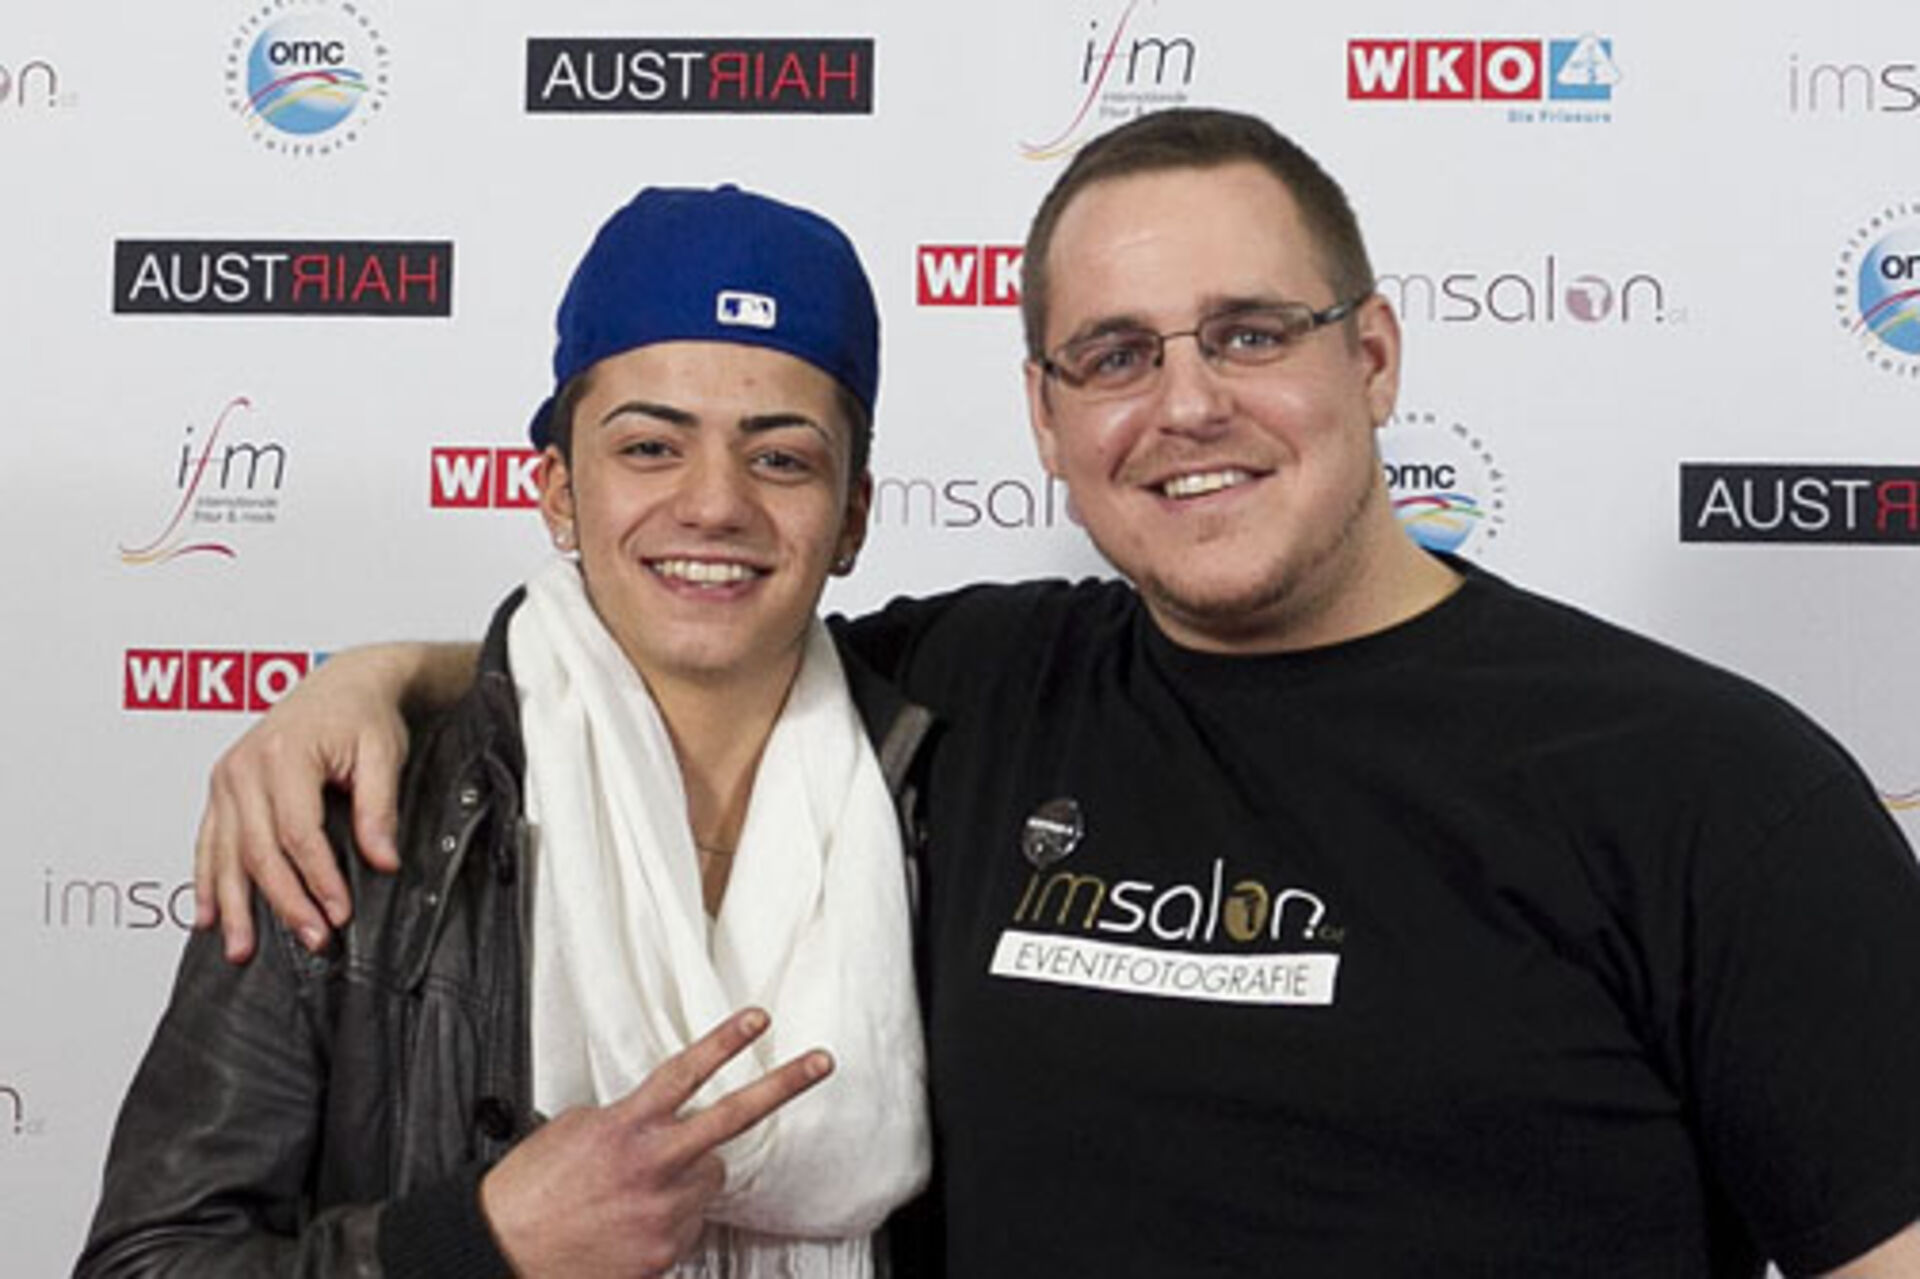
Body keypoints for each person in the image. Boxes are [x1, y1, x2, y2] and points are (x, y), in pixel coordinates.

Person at [191, 109, 1920, 1276]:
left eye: (1250, 331)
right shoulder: (966, 694)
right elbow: (682, 626)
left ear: (1374, 355)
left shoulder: (1709, 784)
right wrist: (383, 681)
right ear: (1044, 413)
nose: (1186, 402)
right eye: (1114, 353)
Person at [78, 185, 934, 1277]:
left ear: (852, 514)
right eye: (650, 447)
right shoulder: (357, 821)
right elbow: (147, 1261)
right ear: (559, 492)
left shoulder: (948, 799)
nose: (715, 503)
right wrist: (475, 1242)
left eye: (780, 458)